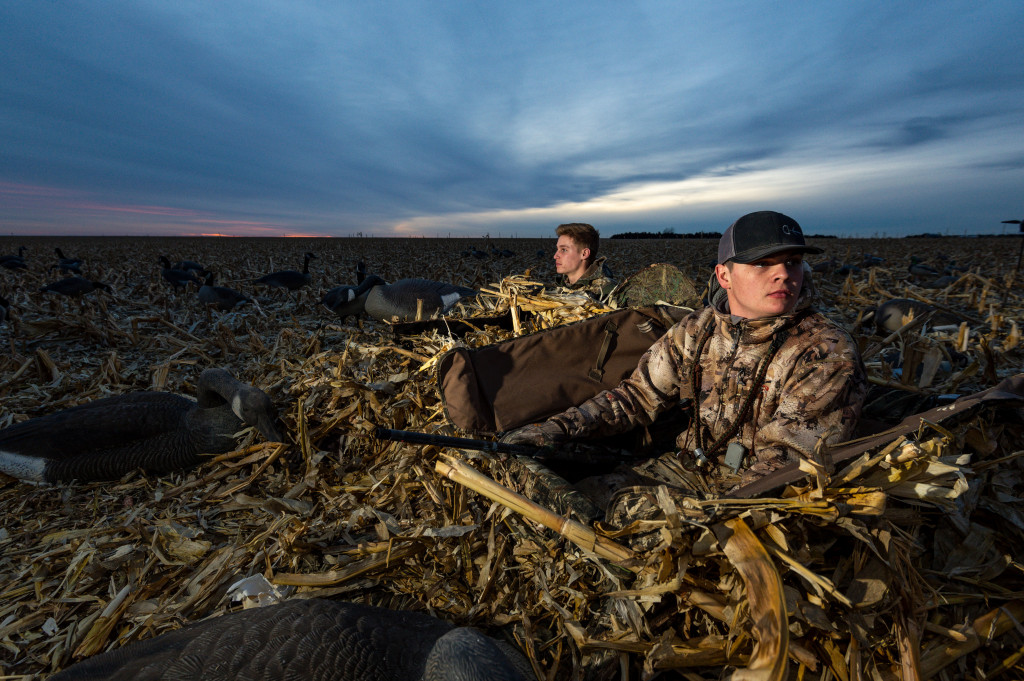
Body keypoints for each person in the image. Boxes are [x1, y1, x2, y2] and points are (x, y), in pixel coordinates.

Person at [503, 211, 868, 498]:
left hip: (749, 497)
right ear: (724, 276)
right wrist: (554, 429)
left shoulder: (825, 351)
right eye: (762, 263)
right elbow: (636, 397)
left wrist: (703, 519)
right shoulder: (698, 329)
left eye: (792, 262)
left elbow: (789, 465)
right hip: (685, 466)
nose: (783, 275)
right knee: (563, 501)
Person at [553, 223, 617, 302]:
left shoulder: (607, 293)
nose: (555, 256)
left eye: (564, 250)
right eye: (557, 249)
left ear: (584, 254)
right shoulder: (557, 289)